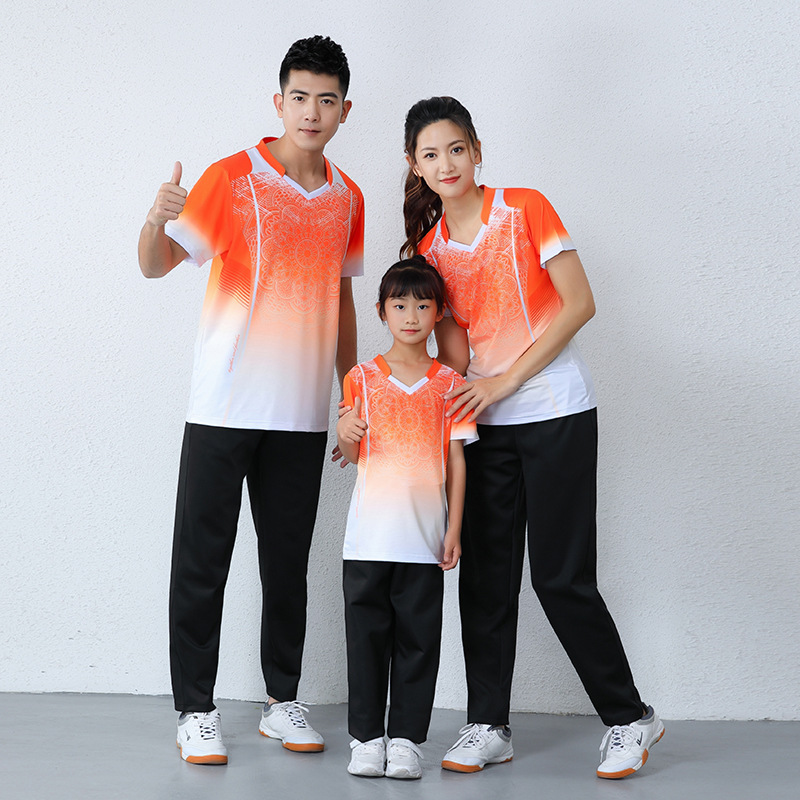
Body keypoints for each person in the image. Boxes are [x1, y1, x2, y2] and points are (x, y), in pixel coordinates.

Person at [401, 96, 664, 780]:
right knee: (486, 581)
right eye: (431, 154)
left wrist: (506, 381)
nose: (446, 163)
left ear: (476, 150)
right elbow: (457, 359)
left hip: (557, 411)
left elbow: (580, 303)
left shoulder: (525, 208)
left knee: (559, 576)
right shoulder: (430, 252)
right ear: (415, 166)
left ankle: (630, 718)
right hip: (486, 427)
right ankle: (489, 725)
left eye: (456, 148)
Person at [137, 35, 363, 765]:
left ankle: (281, 701)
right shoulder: (232, 178)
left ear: (344, 110)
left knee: (287, 564)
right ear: (279, 102)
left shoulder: (348, 197)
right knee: (202, 561)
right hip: (223, 405)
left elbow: (343, 299)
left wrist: (351, 395)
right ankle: (195, 709)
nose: (311, 111)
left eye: (326, 100)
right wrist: (154, 218)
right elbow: (155, 265)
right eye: (299, 97)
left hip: (300, 413)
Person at [336, 257, 477, 780]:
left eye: (422, 305)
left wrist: (454, 529)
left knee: (419, 644)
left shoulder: (451, 384)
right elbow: (352, 453)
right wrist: (345, 434)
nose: (411, 316)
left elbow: (457, 462)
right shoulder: (360, 378)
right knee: (366, 642)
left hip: (424, 542)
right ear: (382, 311)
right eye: (399, 305)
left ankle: (406, 741)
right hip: (368, 541)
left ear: (439, 313)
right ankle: (366, 739)